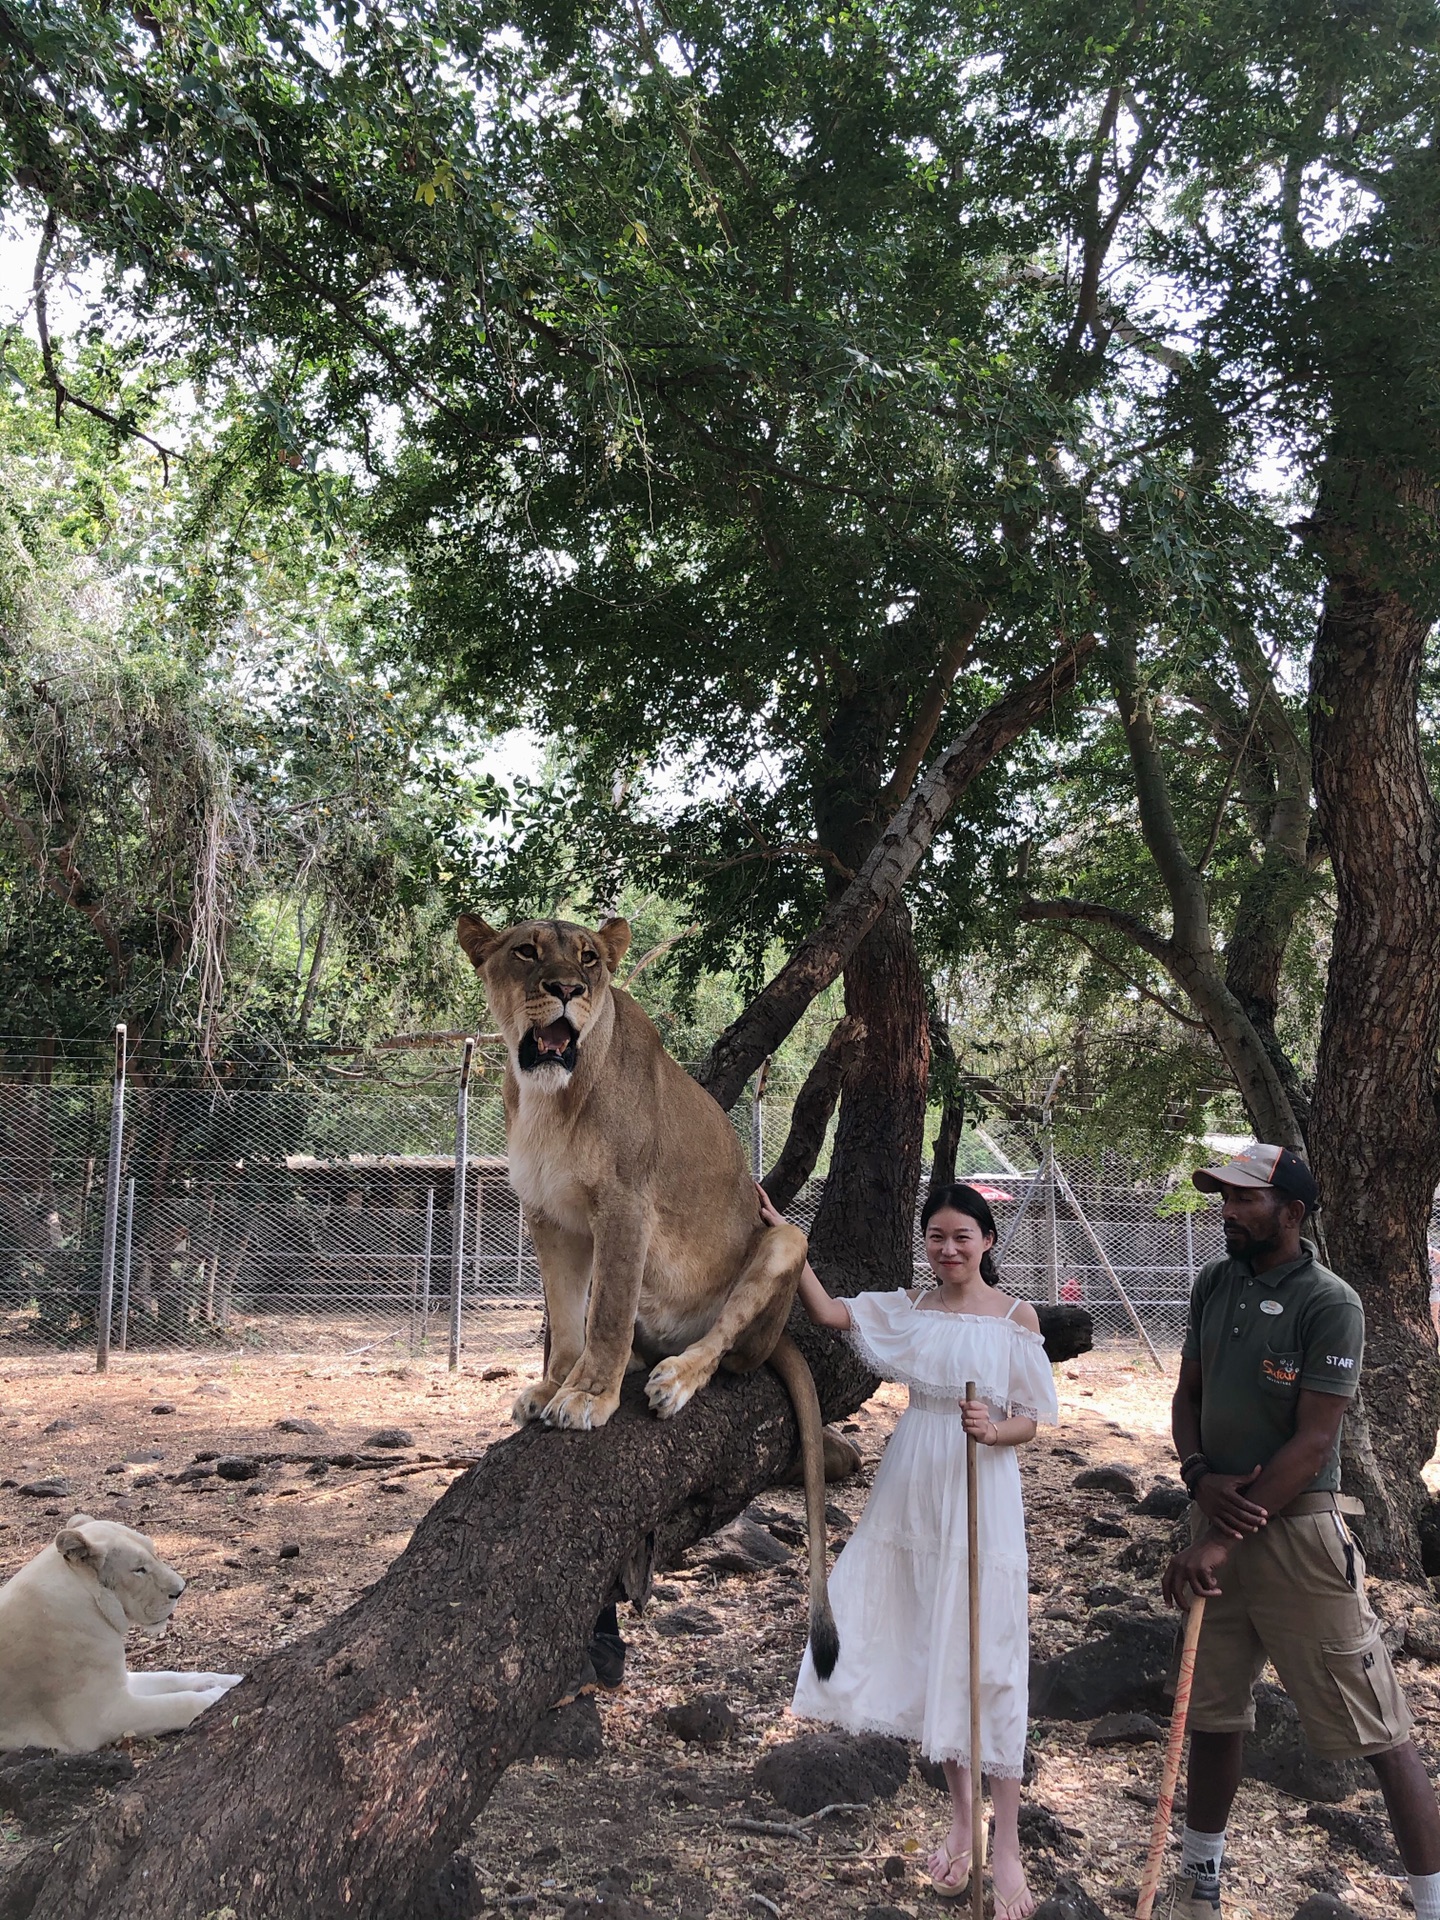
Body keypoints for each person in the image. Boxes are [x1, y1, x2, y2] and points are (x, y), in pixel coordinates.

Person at [762, 1181, 1058, 1917]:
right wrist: (789, 1241)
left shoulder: (1016, 1320)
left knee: (986, 1653)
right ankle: (961, 1824)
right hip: (914, 1480)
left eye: (962, 1236)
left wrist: (995, 1429)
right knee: (935, 1645)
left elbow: (1033, 1419)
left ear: (988, 1241)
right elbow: (831, 1313)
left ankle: (1009, 1848)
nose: (948, 1249)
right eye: (936, 1237)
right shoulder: (913, 1310)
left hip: (980, 1487)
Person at [1161, 1143, 1440, 1920]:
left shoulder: (1331, 1301)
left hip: (1297, 1534)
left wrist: (1222, 1538)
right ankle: (1201, 1883)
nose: (1228, 1211)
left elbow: (1315, 1443)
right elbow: (1187, 1395)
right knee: (1210, 1712)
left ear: (1292, 1210)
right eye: (1223, 1197)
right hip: (1212, 1518)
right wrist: (1196, 1478)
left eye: (1245, 1199)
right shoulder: (1213, 1283)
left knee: (1380, 1730)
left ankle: (1431, 1903)